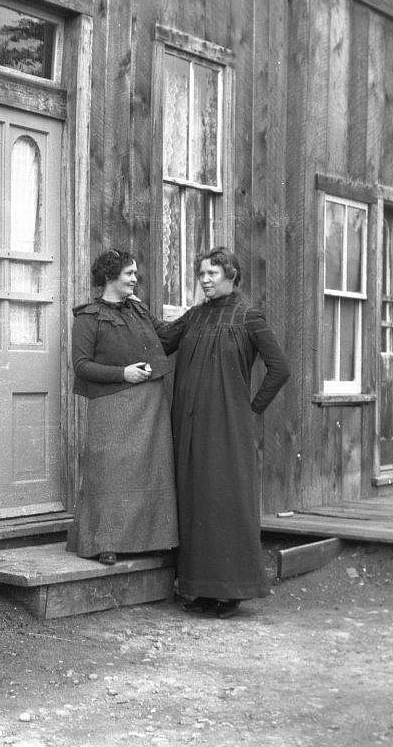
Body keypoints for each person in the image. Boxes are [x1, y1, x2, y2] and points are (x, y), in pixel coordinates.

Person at [160, 247, 290, 619]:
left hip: (229, 427)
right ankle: (198, 589)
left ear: (231, 275)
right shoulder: (195, 317)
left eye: (212, 273)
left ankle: (230, 592)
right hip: (189, 424)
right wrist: (130, 307)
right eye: (200, 273)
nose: (204, 279)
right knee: (195, 499)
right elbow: (163, 340)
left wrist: (251, 409)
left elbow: (279, 368)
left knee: (224, 502)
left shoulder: (250, 317)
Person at [67, 249, 178, 565]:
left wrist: (196, 317)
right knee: (109, 473)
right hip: (110, 404)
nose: (134, 279)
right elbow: (82, 366)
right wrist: (123, 374)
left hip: (150, 402)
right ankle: (105, 542)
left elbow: (166, 340)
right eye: (129, 273)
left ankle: (152, 541)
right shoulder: (89, 317)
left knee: (149, 470)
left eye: (134, 273)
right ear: (109, 276)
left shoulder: (139, 310)